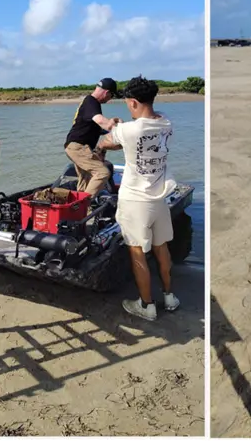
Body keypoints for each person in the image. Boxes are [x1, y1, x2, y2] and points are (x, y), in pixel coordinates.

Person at [95, 76, 178, 321]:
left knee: (137, 252)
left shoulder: (127, 130)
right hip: (159, 198)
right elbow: (147, 126)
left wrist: (103, 144)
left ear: (132, 102)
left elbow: (106, 142)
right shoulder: (166, 123)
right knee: (161, 248)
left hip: (134, 201)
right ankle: (169, 296)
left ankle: (146, 305)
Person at [65, 78, 122, 198]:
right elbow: (101, 121)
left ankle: (81, 211)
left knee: (85, 179)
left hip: (77, 147)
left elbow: (95, 128)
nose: (110, 99)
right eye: (111, 96)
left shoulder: (89, 103)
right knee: (102, 172)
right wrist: (118, 128)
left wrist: (110, 130)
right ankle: (83, 205)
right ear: (107, 93)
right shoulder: (91, 102)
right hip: (78, 147)